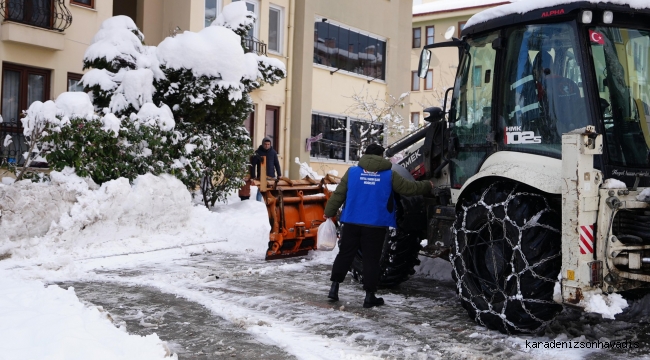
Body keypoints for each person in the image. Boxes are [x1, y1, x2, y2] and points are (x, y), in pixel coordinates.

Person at [323, 143, 434, 308]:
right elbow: (409, 188)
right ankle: (369, 296)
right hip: (375, 225)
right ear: (382, 157)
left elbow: (339, 193)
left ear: (365, 156)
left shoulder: (352, 172)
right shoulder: (389, 175)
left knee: (345, 254)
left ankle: (334, 289)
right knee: (371, 260)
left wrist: (329, 212)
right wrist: (427, 185)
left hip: (351, 222)